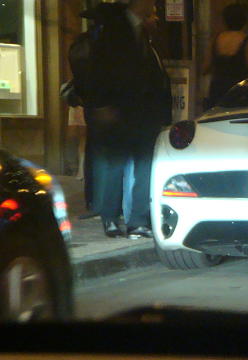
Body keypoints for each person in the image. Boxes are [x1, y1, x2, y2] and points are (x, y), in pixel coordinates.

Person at [81, 0, 172, 239]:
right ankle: (110, 217)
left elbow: (155, 77)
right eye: (150, 6)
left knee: (143, 166)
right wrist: (102, 104)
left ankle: (138, 221)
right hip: (120, 110)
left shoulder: (145, 36)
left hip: (144, 113)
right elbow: (100, 69)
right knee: (115, 164)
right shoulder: (116, 29)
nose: (154, 11)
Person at [203, 4, 248, 107]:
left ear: (225, 21)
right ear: (244, 21)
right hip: (240, 93)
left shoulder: (216, 40)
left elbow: (205, 67)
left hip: (218, 92)